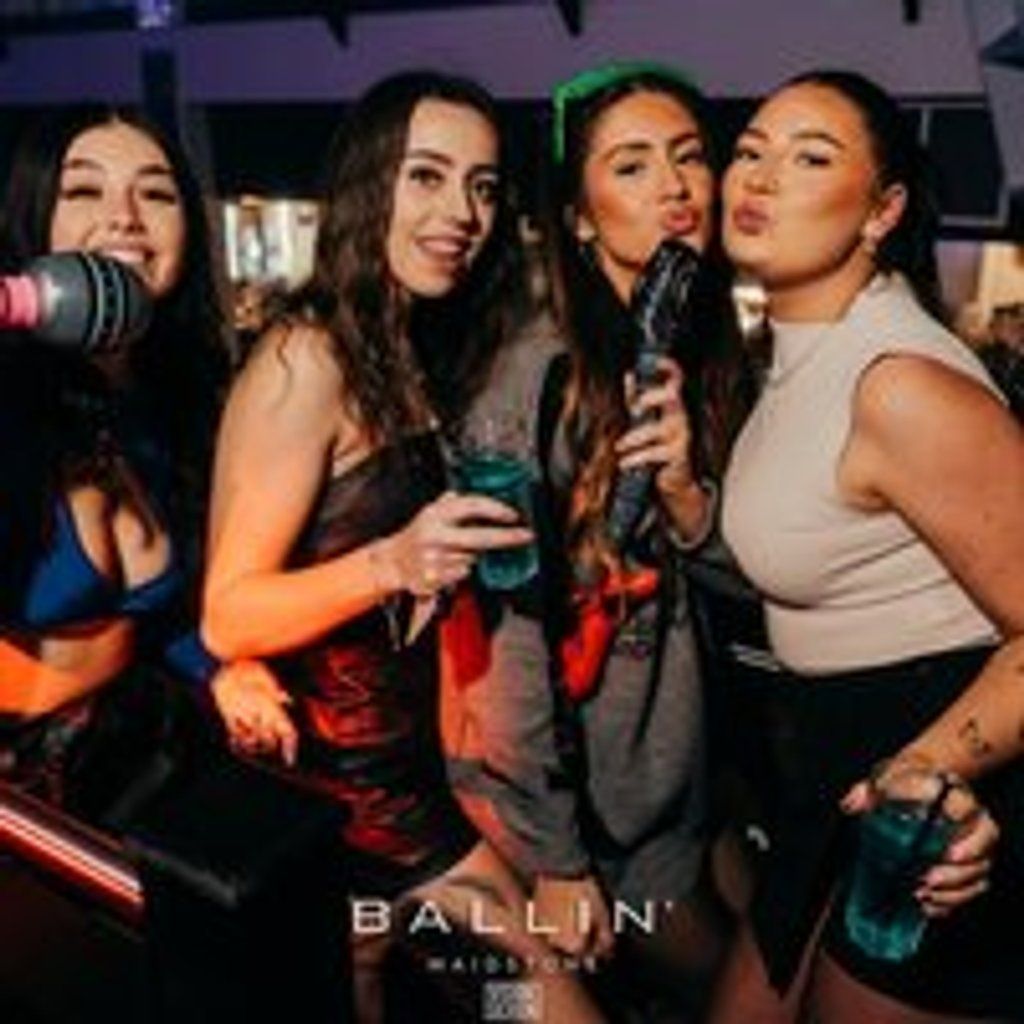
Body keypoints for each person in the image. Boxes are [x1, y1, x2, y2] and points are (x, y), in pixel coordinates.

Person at [200, 71, 603, 1023]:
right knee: (542, 998)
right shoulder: (306, 360)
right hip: (360, 801)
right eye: (426, 175)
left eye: (482, 185)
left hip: (413, 774)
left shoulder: (407, 345)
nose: (461, 211)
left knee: (446, 999)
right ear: (367, 183)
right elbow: (228, 614)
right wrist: (392, 563)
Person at [443, 61, 753, 1021]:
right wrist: (556, 859)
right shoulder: (528, 377)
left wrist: (689, 498)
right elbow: (500, 641)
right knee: (723, 999)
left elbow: (733, 577)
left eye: (689, 157)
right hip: (574, 816)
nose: (674, 186)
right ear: (579, 217)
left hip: (676, 777)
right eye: (631, 165)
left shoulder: (689, 339)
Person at [712, 69, 1024, 1023]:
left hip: (933, 803)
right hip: (830, 773)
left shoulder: (899, 384)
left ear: (882, 211)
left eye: (810, 158)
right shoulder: (800, 350)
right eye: (750, 151)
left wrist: (922, 771)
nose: (760, 177)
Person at [0, 106, 227, 822]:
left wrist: (222, 673)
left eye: (156, 193)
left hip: (126, 791)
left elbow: (160, 621)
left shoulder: (189, 402)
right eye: (84, 190)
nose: (125, 217)